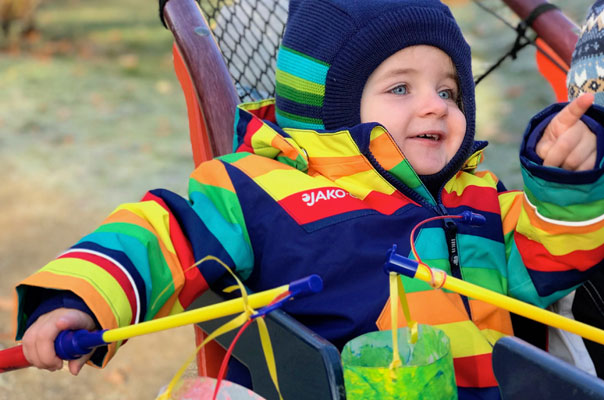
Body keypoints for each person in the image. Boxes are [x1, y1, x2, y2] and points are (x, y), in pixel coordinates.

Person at [14, 0, 604, 399]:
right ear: (330, 103)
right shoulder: (256, 186)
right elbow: (162, 234)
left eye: (448, 88)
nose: (436, 105)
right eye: (401, 87)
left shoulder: (478, 197)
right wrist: (80, 299)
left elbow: (548, 267)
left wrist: (563, 189)